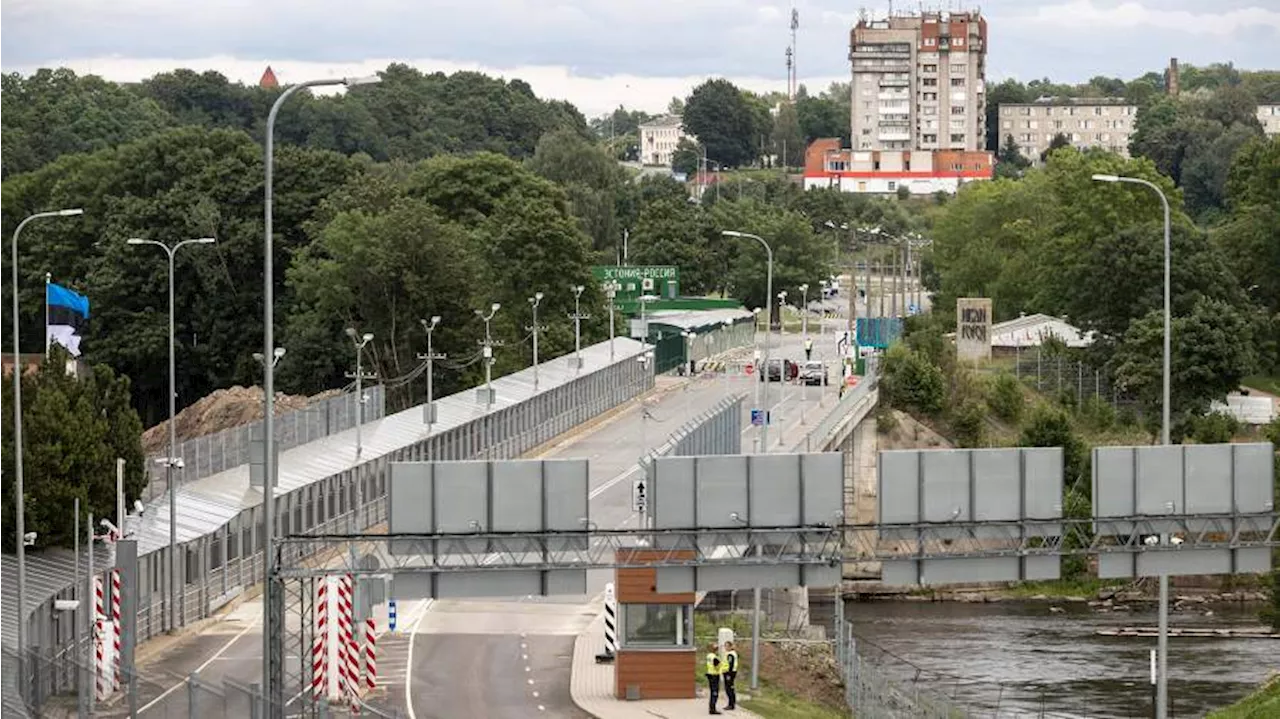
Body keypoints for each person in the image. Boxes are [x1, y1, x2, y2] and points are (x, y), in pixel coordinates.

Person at [704, 642, 723, 715]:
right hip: (714, 675)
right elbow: (716, 665)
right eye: (717, 649)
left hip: (710, 674)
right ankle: (712, 709)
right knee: (715, 692)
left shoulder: (709, 655)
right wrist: (720, 667)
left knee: (712, 691)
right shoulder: (714, 657)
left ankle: (711, 707)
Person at [723, 641, 739, 710]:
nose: (725, 647)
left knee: (729, 689)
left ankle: (731, 704)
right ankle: (732, 703)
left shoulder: (730, 654)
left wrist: (729, 674)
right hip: (729, 672)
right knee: (730, 688)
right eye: (725, 646)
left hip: (729, 673)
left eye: (727, 646)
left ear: (730, 647)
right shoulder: (730, 653)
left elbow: (731, 664)